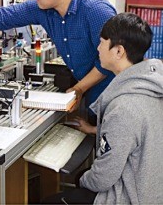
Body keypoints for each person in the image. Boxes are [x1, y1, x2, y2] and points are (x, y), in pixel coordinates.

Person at [45, 13, 163, 204]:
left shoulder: (125, 107)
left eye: (101, 42)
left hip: (130, 197)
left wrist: (80, 180)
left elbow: (103, 178)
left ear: (118, 52)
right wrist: (95, 130)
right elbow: (141, 133)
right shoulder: (151, 85)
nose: (98, 48)